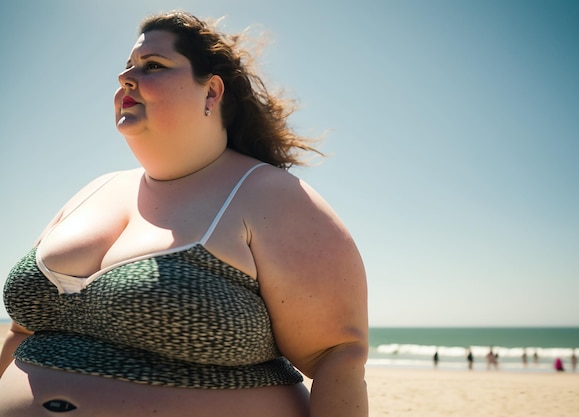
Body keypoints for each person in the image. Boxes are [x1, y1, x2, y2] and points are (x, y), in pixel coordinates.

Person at [0, 11, 368, 417]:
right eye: (127, 68)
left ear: (211, 92)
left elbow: (338, 355)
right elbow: (23, 330)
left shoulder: (271, 196)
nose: (126, 78)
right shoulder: (95, 189)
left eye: (152, 66)